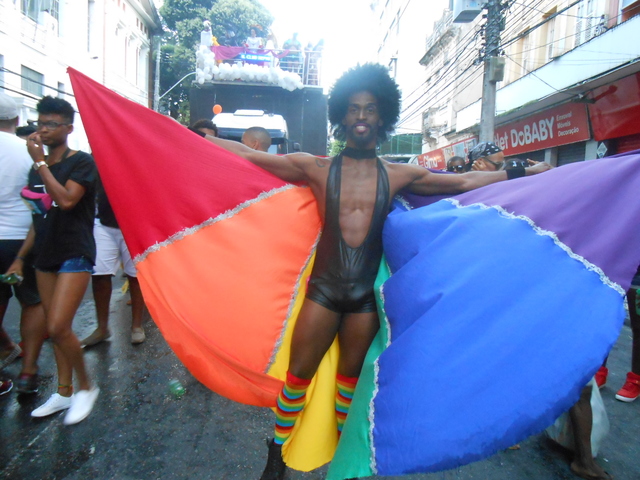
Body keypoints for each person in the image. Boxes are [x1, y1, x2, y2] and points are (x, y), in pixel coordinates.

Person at [199, 63, 551, 479]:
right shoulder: (316, 168)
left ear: (382, 115)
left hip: (364, 301)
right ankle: (276, 454)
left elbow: (462, 183)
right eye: (353, 109)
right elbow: (250, 156)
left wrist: (526, 171)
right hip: (323, 294)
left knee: (349, 387)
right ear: (341, 117)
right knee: (298, 378)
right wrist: (189, 138)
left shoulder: (399, 173)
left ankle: (342, 463)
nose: (361, 116)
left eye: (369, 109)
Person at [5, 96, 99, 425]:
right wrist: (19, 258)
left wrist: (42, 164)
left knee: (58, 326)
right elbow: (39, 216)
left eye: (51, 124)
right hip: (44, 253)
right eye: (40, 123)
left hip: (75, 252)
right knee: (57, 331)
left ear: (68, 128)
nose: (43, 130)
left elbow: (67, 200)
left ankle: (86, 387)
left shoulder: (81, 162)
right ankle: (64, 392)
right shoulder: (36, 167)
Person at [0, 91, 47, 394]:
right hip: (22, 240)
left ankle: (6, 351)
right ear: (16, 120)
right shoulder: (28, 152)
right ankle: (28, 369)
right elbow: (41, 205)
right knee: (32, 301)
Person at [81, 178, 146, 347]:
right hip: (103, 222)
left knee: (135, 276)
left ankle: (137, 326)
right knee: (100, 274)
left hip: (134, 222)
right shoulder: (97, 157)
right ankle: (102, 329)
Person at [614, 266, 640, 402]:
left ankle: (635, 379)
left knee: (638, 326)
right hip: (617, 263)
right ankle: (598, 371)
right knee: (606, 318)